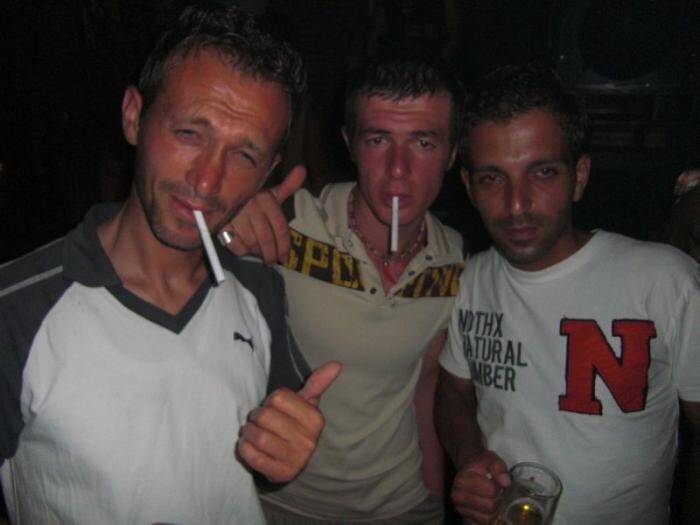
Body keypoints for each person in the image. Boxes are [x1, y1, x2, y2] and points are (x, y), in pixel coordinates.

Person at [0, 5, 341, 524]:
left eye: (244, 156)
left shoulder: (259, 289)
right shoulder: (17, 310)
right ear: (133, 116)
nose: (207, 180)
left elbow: (262, 454)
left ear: (268, 172)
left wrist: (281, 460)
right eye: (189, 133)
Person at [436, 62, 700, 525]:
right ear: (469, 187)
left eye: (542, 172)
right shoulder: (469, 281)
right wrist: (469, 456)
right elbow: (452, 393)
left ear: (579, 176)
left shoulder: (664, 280)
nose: (517, 204)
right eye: (493, 178)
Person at [220, 56, 465, 523]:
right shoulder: (290, 223)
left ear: (452, 154)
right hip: (284, 503)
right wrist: (225, 228)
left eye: (423, 142)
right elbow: (181, 280)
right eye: (378, 140)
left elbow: (424, 390)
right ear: (350, 144)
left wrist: (434, 502)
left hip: (401, 505)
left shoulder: (454, 258)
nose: (398, 168)